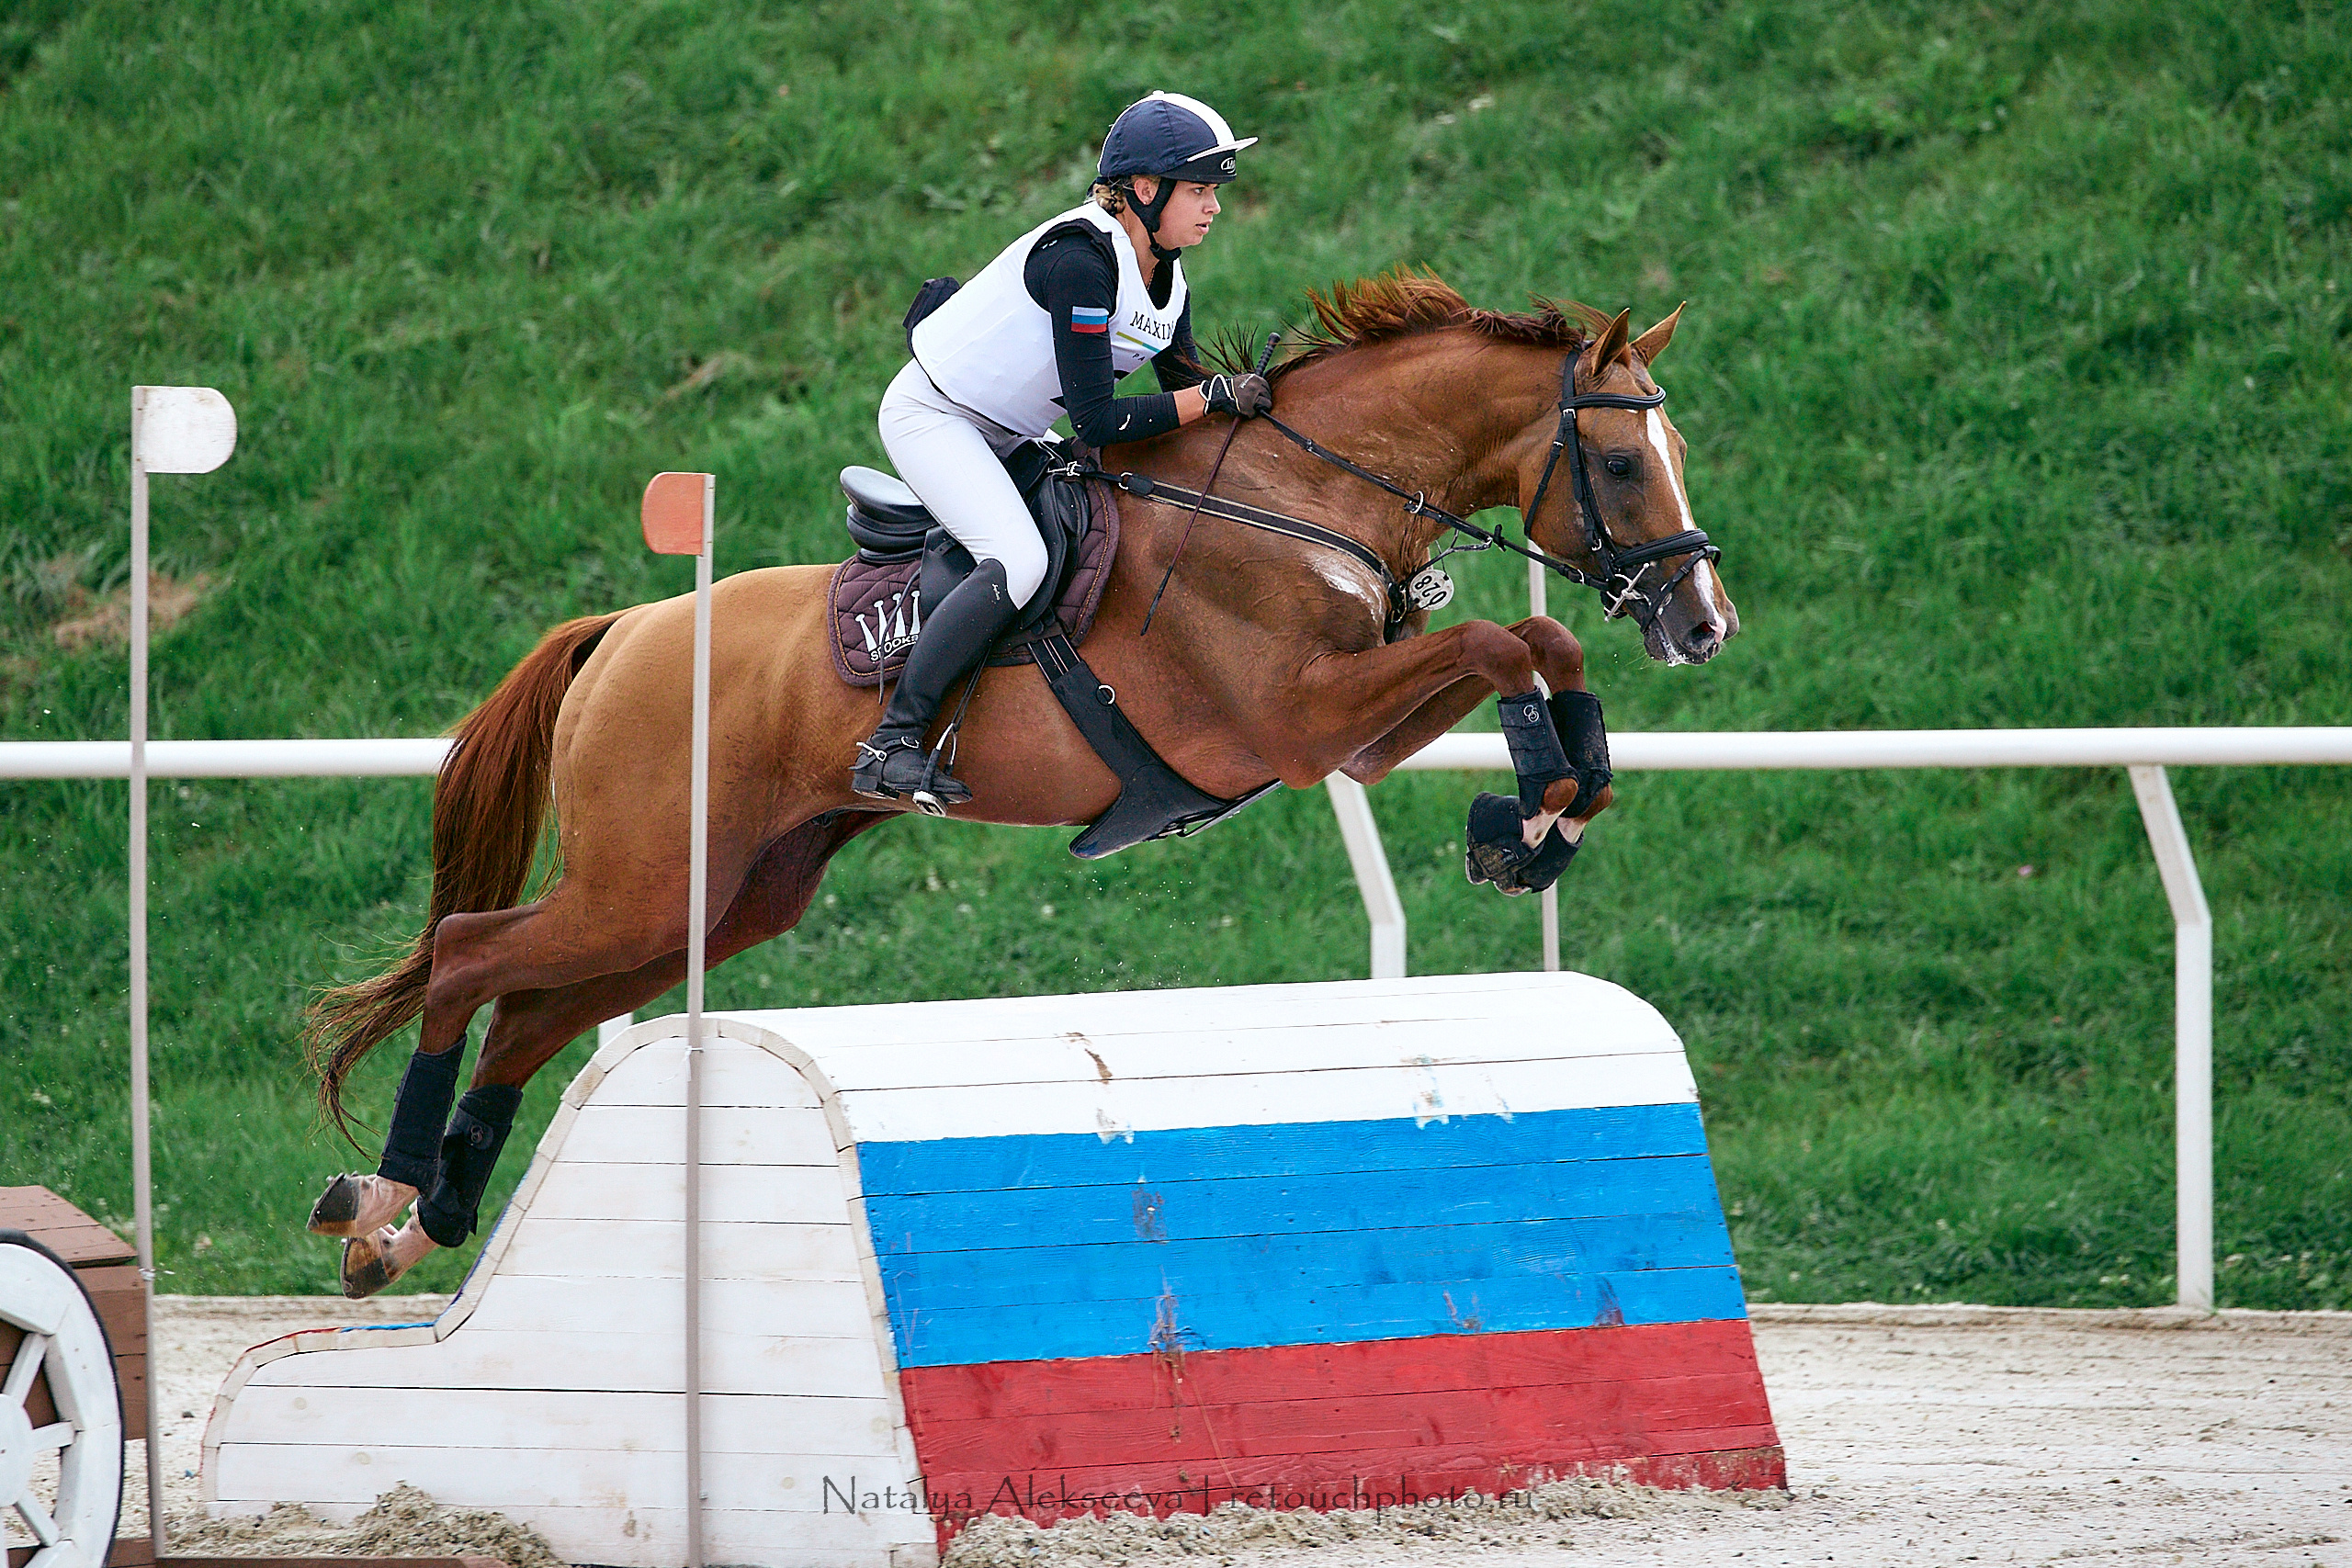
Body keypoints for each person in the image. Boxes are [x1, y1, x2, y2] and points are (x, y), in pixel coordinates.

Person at [852, 90, 1275, 808]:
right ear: (1146, 190)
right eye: (1200, 190)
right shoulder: (1081, 260)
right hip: (936, 417)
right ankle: (891, 741)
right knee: (1021, 559)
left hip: (1010, 428)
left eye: (1214, 192)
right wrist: (1213, 397)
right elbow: (1099, 420)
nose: (1214, 206)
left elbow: (1186, 400)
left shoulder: (1168, 281)